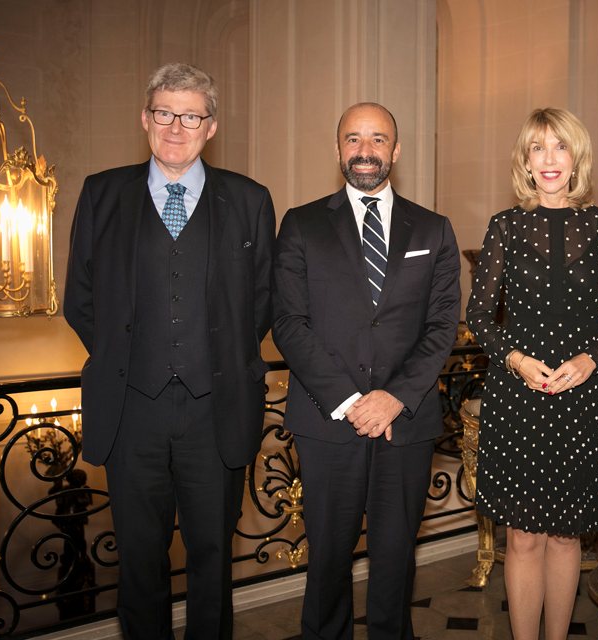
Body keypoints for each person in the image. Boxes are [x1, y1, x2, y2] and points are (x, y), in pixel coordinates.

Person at [64, 63, 276, 639]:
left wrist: (217, 360)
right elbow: (79, 299)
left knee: (212, 562)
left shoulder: (250, 199)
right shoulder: (102, 194)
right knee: (138, 564)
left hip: (217, 410)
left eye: (190, 116)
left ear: (211, 126)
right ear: (145, 120)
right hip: (132, 411)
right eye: (164, 113)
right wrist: (125, 358)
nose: (175, 127)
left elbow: (261, 303)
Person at [271, 102, 461, 640]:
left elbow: (443, 325)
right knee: (328, 559)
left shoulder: (434, 228)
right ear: (337, 150)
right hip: (327, 421)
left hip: (408, 422)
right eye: (353, 139)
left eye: (377, 139)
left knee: (397, 559)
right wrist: (350, 400)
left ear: (395, 152)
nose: (365, 150)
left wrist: (393, 397)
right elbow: (288, 321)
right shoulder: (302, 224)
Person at [465, 108, 598, 640]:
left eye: (559, 147)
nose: (550, 159)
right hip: (517, 397)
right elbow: (476, 314)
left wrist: (590, 361)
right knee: (521, 538)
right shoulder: (506, 227)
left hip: (581, 396)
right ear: (526, 161)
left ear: (576, 156)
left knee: (566, 537)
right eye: (538, 148)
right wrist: (514, 358)